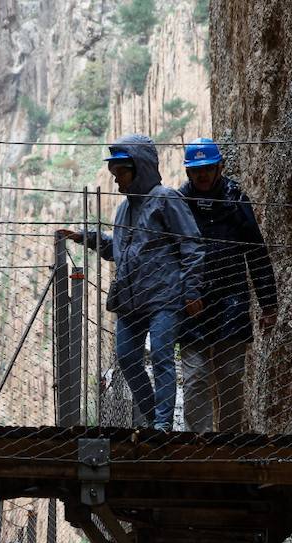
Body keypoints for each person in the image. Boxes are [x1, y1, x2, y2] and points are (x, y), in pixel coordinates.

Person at [58, 133, 205, 430]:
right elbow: (119, 249)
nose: (116, 180)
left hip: (164, 296)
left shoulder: (166, 199)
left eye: (121, 172)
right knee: (126, 357)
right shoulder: (124, 209)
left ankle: (162, 425)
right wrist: (86, 238)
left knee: (163, 357)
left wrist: (191, 291)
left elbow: (192, 245)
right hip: (130, 298)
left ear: (140, 167)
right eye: (114, 173)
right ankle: (153, 419)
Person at [178, 138, 278, 433]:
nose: (203, 175)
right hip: (192, 304)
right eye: (197, 170)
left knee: (230, 376)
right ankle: (198, 445)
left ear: (219, 166)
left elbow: (256, 252)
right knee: (196, 378)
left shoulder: (236, 200)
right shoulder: (180, 204)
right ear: (188, 173)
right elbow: (170, 255)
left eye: (208, 168)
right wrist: (184, 293)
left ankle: (230, 443)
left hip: (232, 301)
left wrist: (268, 303)